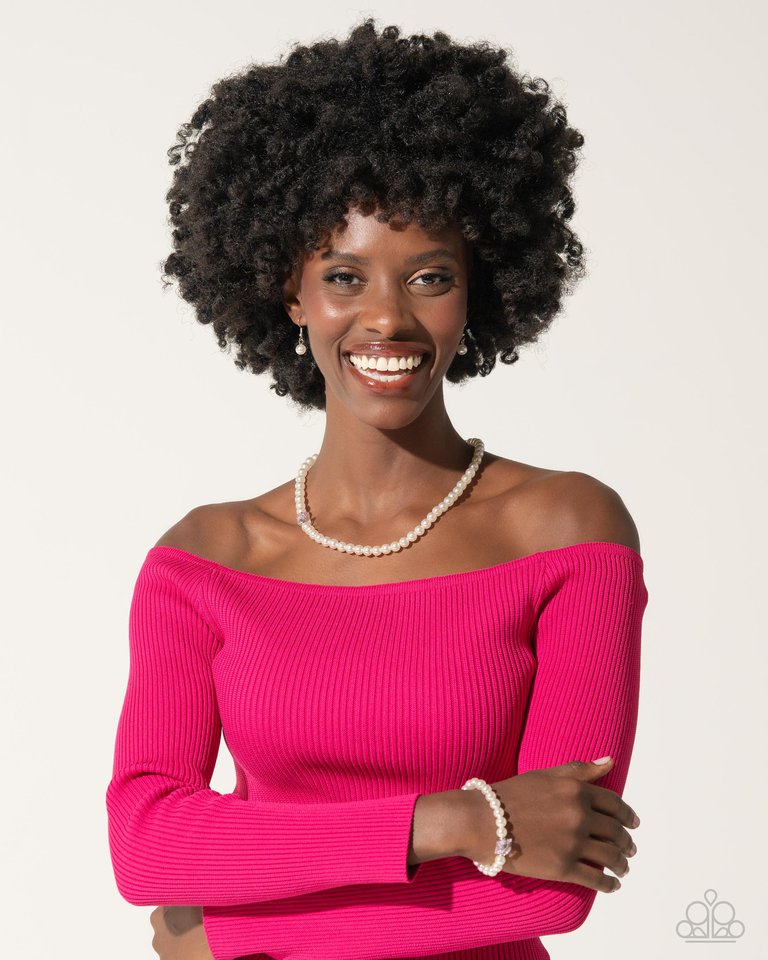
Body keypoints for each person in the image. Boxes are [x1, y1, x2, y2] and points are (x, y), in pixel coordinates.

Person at [105, 17, 648, 960]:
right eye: (344, 276)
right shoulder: (205, 558)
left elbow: (549, 890)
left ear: (478, 288)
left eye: (430, 276)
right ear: (291, 292)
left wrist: (222, 932)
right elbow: (148, 845)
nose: (387, 317)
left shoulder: (567, 530)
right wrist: (454, 821)